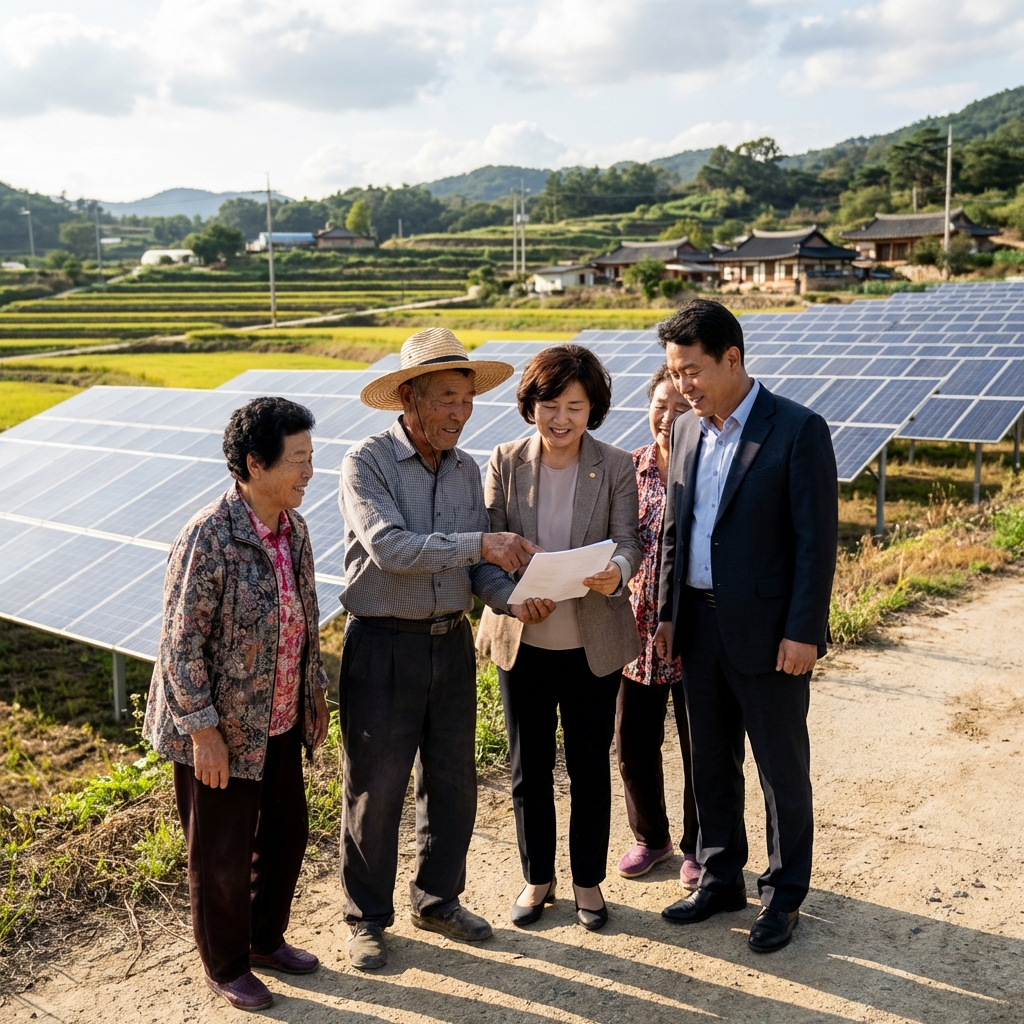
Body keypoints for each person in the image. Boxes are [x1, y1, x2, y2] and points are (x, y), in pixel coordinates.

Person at [337, 328, 542, 971]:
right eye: (448, 398)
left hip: (448, 642)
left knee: (452, 780)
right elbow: (390, 549)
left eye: (467, 400)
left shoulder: (464, 469)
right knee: (376, 788)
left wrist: (512, 597)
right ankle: (366, 916)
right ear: (409, 397)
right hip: (381, 644)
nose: (461, 412)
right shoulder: (366, 461)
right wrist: (482, 549)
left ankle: (438, 898)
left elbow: (476, 569)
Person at [653, 300, 837, 954]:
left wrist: (804, 630)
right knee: (710, 762)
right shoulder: (684, 433)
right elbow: (676, 531)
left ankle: (783, 895)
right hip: (698, 629)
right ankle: (720, 876)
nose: (682, 386)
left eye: (693, 370)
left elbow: (816, 542)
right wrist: (668, 613)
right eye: (675, 374)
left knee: (781, 769)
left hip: (770, 633)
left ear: (733, 358)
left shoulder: (796, 429)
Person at [144, 397, 331, 1013]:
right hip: (220, 729)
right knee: (220, 854)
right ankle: (225, 965)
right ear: (255, 463)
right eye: (298, 460)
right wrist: (203, 732)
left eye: (311, 457)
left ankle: (265, 939)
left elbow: (305, 619)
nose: (309, 472)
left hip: (277, 719)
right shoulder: (209, 536)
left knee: (285, 838)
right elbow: (180, 641)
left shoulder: (293, 529)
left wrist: (313, 697)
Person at [476, 344, 642, 931]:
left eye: (575, 405)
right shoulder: (503, 460)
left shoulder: (617, 465)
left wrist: (616, 571)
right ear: (532, 406)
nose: (562, 418)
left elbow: (629, 541)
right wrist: (512, 597)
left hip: (591, 642)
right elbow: (489, 550)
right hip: (522, 639)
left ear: (592, 406)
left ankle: (588, 881)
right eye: (550, 404)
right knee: (529, 767)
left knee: (591, 767)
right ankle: (537, 877)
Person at [614, 365, 701, 888]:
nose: (668, 418)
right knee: (632, 744)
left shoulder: (708, 469)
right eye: (661, 406)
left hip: (694, 634)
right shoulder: (626, 471)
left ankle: (698, 846)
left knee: (701, 747)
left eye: (682, 408)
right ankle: (652, 838)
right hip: (635, 634)